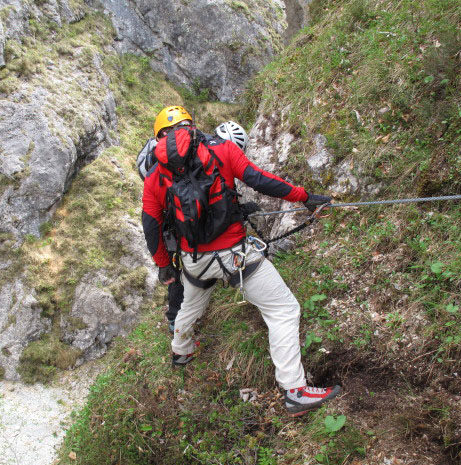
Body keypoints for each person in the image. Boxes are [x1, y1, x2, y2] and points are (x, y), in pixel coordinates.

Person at [141, 105, 341, 416]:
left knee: (191, 304)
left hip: (193, 258)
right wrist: (303, 196)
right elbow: (260, 181)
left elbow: (152, 225)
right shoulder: (220, 150)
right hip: (235, 255)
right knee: (283, 310)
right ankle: (295, 390)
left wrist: (164, 264)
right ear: (191, 126)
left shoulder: (154, 176)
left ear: (158, 138)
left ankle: (181, 352)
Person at [136, 106, 250, 335]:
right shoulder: (201, 149)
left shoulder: (155, 163)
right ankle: (177, 318)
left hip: (174, 221)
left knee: (178, 267)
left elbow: (151, 223)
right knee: (181, 270)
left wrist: (162, 264)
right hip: (189, 223)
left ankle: (177, 322)